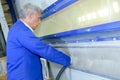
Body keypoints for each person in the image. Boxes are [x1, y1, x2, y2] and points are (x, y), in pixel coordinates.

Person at [6, 3, 71, 80]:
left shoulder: (18, 28)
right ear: (30, 16)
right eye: (38, 18)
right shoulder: (21, 30)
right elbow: (40, 48)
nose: (40, 22)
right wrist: (67, 60)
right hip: (24, 77)